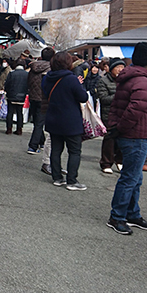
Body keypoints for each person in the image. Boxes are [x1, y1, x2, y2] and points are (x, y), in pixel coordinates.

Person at [106, 42, 147, 235]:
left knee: (135, 177)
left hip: (132, 133)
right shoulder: (143, 81)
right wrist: (121, 128)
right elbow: (135, 109)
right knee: (130, 178)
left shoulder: (130, 77)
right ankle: (118, 216)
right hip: (135, 134)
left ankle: (131, 213)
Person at [42, 52, 88, 191]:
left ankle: (57, 178)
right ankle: (72, 180)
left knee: (56, 149)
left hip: (53, 117)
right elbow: (83, 97)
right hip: (70, 120)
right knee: (74, 151)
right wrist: (79, 85)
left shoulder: (47, 78)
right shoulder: (71, 79)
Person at [97, 59, 125, 173]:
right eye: (117, 67)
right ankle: (106, 162)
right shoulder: (103, 81)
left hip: (123, 113)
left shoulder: (125, 81)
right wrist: (119, 95)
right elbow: (103, 98)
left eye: (122, 68)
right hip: (109, 112)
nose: (120, 70)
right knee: (109, 138)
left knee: (122, 137)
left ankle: (120, 161)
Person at [27, 47, 54, 153]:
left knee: (37, 121)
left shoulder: (33, 67)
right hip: (44, 99)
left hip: (33, 97)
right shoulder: (51, 69)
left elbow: (28, 82)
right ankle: (33, 146)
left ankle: (41, 142)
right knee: (39, 123)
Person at [4, 58, 28, 135]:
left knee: (10, 112)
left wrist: (7, 92)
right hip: (22, 96)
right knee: (19, 113)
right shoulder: (27, 74)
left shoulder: (12, 73)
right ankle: (19, 129)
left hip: (11, 96)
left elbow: (7, 84)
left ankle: (9, 129)